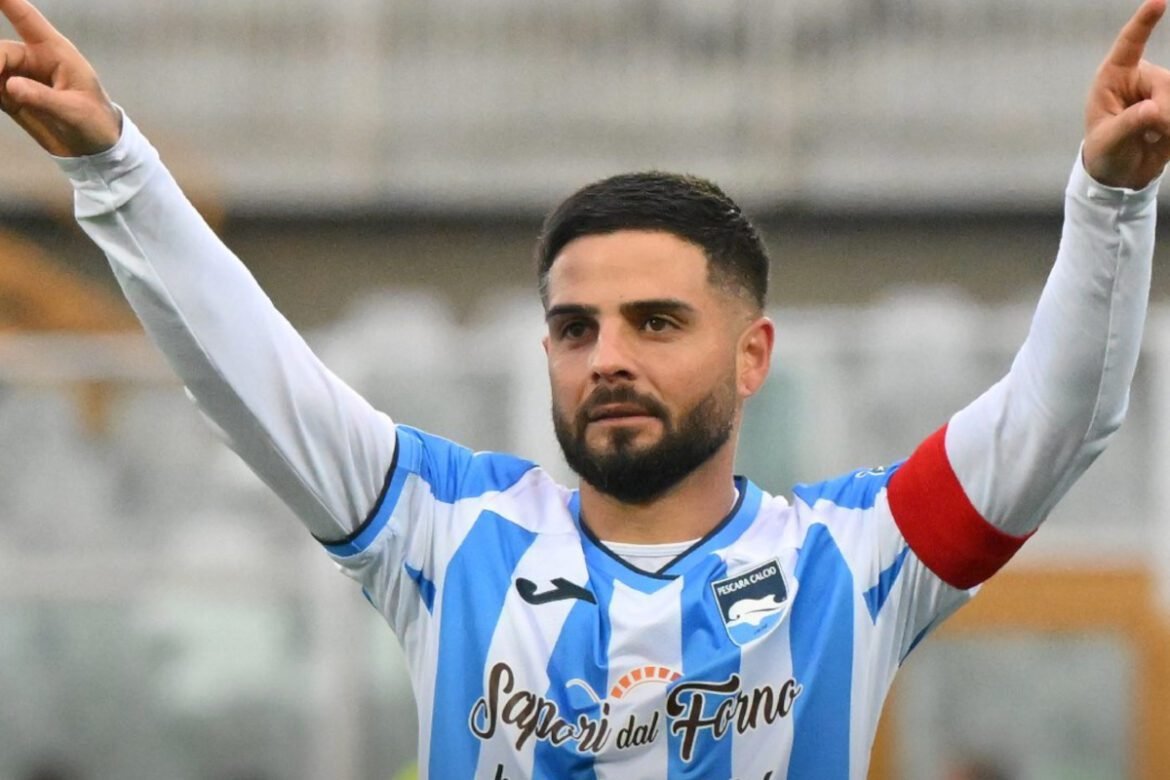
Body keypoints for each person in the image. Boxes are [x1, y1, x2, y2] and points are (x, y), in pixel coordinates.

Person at [2, 0, 1168, 777]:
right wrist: (112, 166)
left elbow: (1056, 418)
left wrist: (1111, 201)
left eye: (657, 322)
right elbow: (254, 376)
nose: (607, 354)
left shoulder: (851, 563)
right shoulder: (446, 536)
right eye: (575, 327)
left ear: (753, 356)